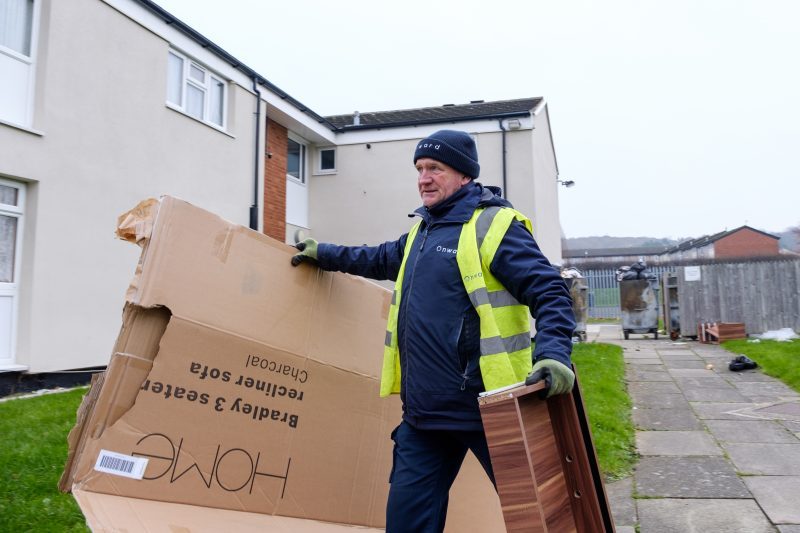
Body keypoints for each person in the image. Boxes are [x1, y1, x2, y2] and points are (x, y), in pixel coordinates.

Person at [291, 129, 576, 533]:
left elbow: (549, 290)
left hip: (489, 409)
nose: (424, 177)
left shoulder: (494, 226)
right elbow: (376, 258)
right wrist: (324, 253)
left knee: (546, 517)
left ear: (464, 175)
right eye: (420, 168)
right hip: (425, 414)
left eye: (435, 168)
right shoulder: (423, 233)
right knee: (406, 523)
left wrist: (553, 353)